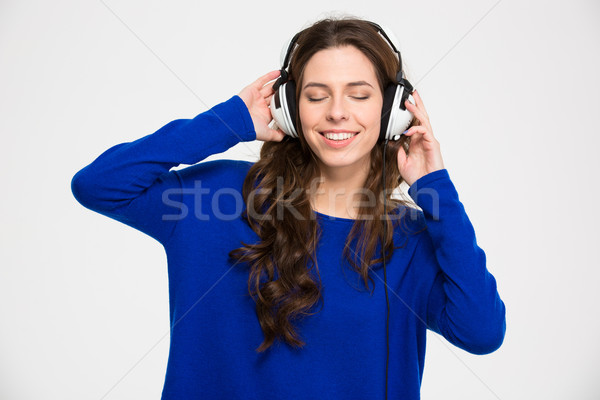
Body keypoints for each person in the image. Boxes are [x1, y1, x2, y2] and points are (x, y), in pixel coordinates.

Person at [71, 16, 506, 400]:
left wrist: (436, 189)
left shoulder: (411, 235)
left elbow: (482, 331)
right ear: (291, 108)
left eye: (359, 95)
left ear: (392, 111)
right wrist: (230, 121)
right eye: (317, 96)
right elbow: (99, 185)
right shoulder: (216, 198)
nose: (337, 112)